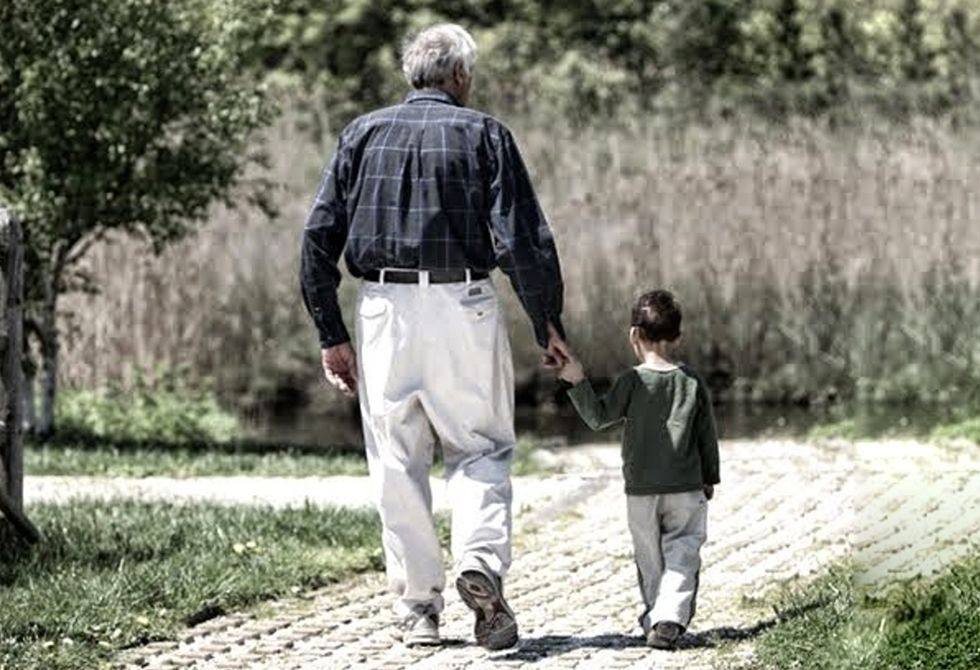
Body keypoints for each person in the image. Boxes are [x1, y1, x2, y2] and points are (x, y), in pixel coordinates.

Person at [299, 23, 568, 650]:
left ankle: (419, 609)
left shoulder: (362, 134)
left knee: (396, 458)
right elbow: (522, 240)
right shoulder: (486, 135)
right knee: (479, 445)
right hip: (463, 302)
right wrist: (547, 322)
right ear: (461, 76)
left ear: (411, 74)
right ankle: (479, 561)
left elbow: (317, 239)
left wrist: (330, 331)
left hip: (383, 307)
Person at [553, 290, 719, 650]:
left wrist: (576, 380)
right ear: (678, 337)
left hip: (641, 491)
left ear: (634, 335)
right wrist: (709, 477)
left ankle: (657, 616)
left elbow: (598, 418)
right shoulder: (691, 382)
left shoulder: (630, 381)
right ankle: (668, 617)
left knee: (649, 559)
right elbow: (706, 436)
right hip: (685, 488)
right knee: (683, 551)